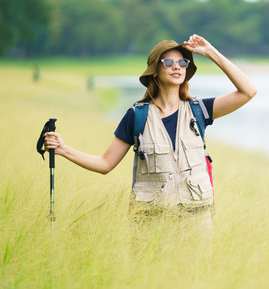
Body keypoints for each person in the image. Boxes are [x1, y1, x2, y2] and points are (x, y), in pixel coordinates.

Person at [44, 34, 257, 221]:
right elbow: (105, 164)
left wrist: (210, 52)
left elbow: (248, 91)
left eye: (182, 62)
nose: (177, 67)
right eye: (168, 62)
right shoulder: (137, 116)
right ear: (154, 72)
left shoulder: (200, 110)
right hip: (150, 223)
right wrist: (64, 150)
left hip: (196, 222)